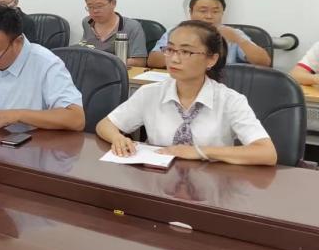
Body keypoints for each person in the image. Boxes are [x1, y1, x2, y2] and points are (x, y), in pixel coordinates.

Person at [97, 21, 277, 166]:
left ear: (211, 59)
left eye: (186, 52)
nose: (174, 59)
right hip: (158, 182)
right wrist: (118, 138)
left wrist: (199, 152)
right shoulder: (150, 93)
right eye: (170, 49)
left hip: (212, 186)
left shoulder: (230, 100)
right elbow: (105, 125)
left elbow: (266, 152)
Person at [147, 0, 270, 69]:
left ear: (222, 13)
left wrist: (239, 40)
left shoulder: (233, 34)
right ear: (191, 12)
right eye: (203, 11)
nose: (209, 16)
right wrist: (182, 52)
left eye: (215, 11)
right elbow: (153, 61)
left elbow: (264, 62)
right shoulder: (176, 32)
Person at [79, 0, 147, 66]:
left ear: (113, 3)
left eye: (99, 6)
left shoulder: (132, 27)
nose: (95, 11)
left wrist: (103, 63)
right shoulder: (87, 22)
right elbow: (83, 49)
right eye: (90, 7)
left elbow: (140, 62)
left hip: (118, 71)